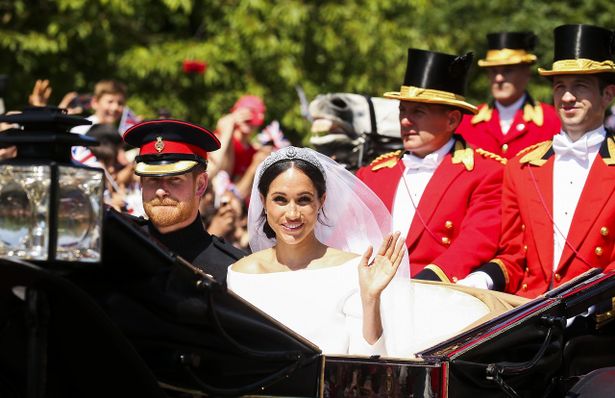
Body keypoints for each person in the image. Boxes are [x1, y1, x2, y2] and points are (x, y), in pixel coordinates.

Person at [228, 146, 497, 357]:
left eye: (304, 200)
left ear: (322, 201)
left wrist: (371, 299)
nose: (292, 213)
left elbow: (368, 359)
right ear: (262, 201)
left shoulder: (353, 269)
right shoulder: (241, 274)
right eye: (280, 200)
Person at [465, 24, 615, 298]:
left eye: (580, 86)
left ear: (607, 94)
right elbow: (513, 254)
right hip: (531, 315)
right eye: (560, 87)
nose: (567, 97)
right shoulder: (521, 167)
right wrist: (481, 279)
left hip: (597, 321)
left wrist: (589, 305)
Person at [356, 48, 506, 284]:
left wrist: (427, 282)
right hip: (370, 291)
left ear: (452, 120)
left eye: (418, 112)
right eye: (402, 110)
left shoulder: (485, 172)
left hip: (438, 293)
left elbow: (476, 240)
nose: (405, 120)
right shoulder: (373, 173)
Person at [122, 119, 246, 283]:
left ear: (200, 185)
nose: (160, 191)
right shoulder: (118, 244)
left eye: (174, 179)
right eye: (152, 179)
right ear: (141, 183)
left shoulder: (232, 270)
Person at [457, 32, 561, 158]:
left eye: (508, 70)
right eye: (493, 71)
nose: (499, 78)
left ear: (526, 73)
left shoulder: (552, 121)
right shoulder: (466, 122)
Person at [208, 95, 272, 199]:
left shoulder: (255, 153)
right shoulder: (222, 136)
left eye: (254, 114)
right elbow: (213, 169)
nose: (249, 118)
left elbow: (238, 192)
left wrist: (255, 166)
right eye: (245, 113)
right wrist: (229, 125)